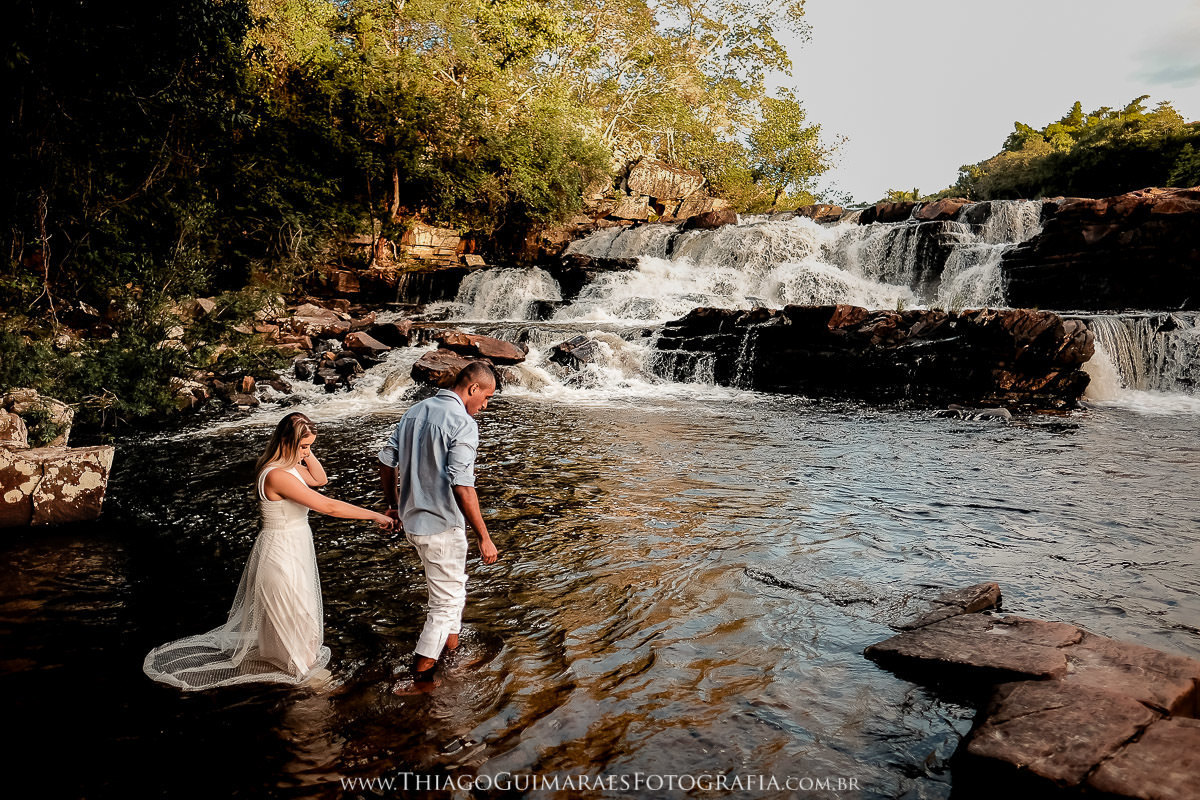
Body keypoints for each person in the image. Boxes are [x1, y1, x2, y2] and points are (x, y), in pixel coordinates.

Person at [144, 412, 394, 691]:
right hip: (281, 552)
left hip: (295, 546)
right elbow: (328, 506)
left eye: (309, 447)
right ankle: (303, 677)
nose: (306, 453)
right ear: (286, 442)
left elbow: (320, 479)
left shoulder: (290, 467)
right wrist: (375, 515)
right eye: (303, 447)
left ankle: (297, 666)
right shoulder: (277, 474)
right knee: (294, 612)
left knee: (301, 612)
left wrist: (306, 451)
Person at [378, 362, 500, 685]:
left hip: (414, 521)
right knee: (444, 605)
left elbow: (387, 460)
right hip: (442, 526)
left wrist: (392, 505)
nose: (484, 406)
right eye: (486, 398)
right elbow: (462, 484)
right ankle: (421, 681)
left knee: (454, 591)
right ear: (472, 389)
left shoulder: (414, 411)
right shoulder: (462, 423)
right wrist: (484, 536)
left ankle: (452, 654)